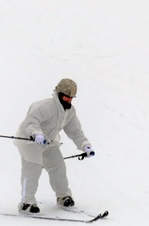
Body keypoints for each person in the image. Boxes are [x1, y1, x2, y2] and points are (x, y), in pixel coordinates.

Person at [14, 78, 95, 214]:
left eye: (71, 98)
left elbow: (75, 131)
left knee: (58, 167)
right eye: (66, 97)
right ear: (58, 94)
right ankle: (27, 202)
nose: (69, 100)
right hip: (30, 142)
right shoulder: (45, 107)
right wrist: (36, 134)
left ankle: (63, 196)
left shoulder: (69, 112)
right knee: (32, 170)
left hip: (49, 142)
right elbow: (30, 123)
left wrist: (85, 145)